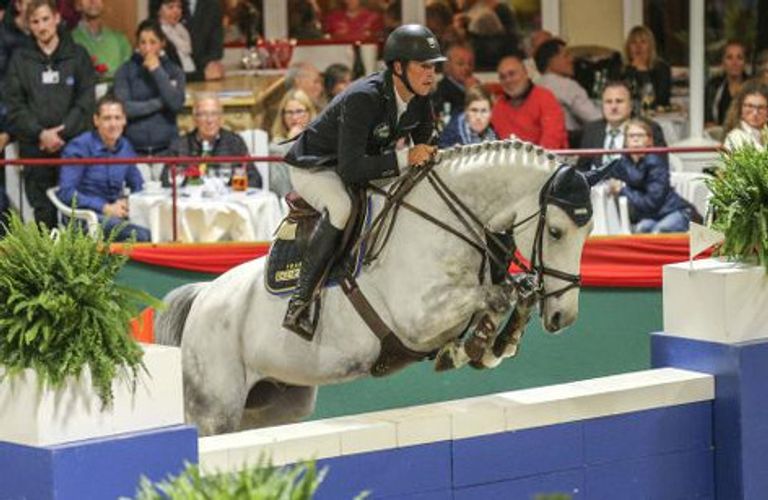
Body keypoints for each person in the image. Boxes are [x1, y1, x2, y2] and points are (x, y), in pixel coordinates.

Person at [281, 24, 444, 339]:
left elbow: (426, 151)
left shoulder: (421, 99)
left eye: (433, 67)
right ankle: (301, 300)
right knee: (341, 207)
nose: (431, 74)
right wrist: (406, 157)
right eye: (423, 66)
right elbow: (351, 169)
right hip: (316, 166)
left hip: (361, 163)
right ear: (399, 67)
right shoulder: (363, 97)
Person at [5, 0, 95, 228]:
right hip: (35, 149)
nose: (41, 26)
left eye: (45, 19)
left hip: (73, 146)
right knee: (43, 214)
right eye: (35, 22)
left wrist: (62, 133)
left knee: (76, 212)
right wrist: (41, 134)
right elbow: (14, 106)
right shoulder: (19, 59)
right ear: (29, 25)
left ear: (57, 18)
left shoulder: (78, 55)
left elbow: (86, 101)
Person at [58, 94, 150, 242]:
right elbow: (66, 193)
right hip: (85, 217)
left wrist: (127, 202)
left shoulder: (125, 146)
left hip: (116, 215)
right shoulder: (79, 147)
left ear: (124, 120)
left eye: (117, 118)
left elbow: (137, 184)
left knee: (160, 228)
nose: (113, 124)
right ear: (96, 120)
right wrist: (105, 208)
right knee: (143, 236)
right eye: (107, 118)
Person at [600, 119, 691, 234]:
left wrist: (622, 189)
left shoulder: (655, 161)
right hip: (653, 216)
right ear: (626, 141)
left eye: (640, 135)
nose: (635, 139)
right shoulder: (624, 161)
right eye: (631, 136)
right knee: (641, 230)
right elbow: (606, 173)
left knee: (659, 232)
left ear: (649, 140)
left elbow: (651, 203)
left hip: (674, 211)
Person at [113, 19, 185, 156]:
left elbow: (176, 104)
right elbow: (124, 109)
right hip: (133, 150)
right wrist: (160, 102)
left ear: (162, 43)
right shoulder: (125, 71)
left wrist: (157, 70)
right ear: (137, 44)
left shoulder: (174, 71)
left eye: (153, 42)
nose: (147, 48)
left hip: (167, 149)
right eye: (143, 42)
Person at [161, 93, 262, 188]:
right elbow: (165, 180)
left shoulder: (235, 142)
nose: (209, 120)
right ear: (194, 119)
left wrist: (233, 188)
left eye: (214, 114)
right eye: (203, 114)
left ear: (221, 118)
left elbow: (255, 179)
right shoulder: (179, 145)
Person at [577, 80, 666, 171]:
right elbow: (582, 170)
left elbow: (659, 169)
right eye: (608, 102)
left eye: (619, 101)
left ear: (631, 105)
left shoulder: (649, 128)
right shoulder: (592, 130)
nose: (613, 107)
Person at [490, 50, 568, 149]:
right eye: (503, 77)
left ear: (526, 73)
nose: (508, 80)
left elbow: (553, 139)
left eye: (512, 74)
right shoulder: (498, 107)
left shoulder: (544, 98)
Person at [535, 37, 601, 146]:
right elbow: (593, 117)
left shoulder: (536, 85)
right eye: (566, 55)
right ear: (551, 61)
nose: (572, 59)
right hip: (570, 146)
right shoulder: (565, 85)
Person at [268, 89, 317, 198]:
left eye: (299, 111)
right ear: (282, 116)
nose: (294, 117)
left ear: (309, 113)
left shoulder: (319, 140)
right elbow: (280, 187)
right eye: (289, 112)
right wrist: (290, 145)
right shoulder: (276, 147)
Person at [71, 0, 131, 79]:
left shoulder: (120, 40)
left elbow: (129, 77)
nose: (93, 1)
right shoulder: (70, 40)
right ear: (78, 3)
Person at [622, 25, 672, 110]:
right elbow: (622, 96)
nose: (638, 47)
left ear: (650, 46)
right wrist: (632, 70)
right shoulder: (622, 69)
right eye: (633, 42)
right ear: (628, 47)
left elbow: (662, 100)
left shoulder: (662, 68)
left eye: (643, 42)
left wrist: (643, 71)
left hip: (657, 114)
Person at [705, 41, 749, 127]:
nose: (734, 63)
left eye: (739, 58)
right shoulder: (713, 86)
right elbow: (707, 118)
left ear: (745, 62)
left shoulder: (753, 86)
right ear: (723, 62)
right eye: (729, 57)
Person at [432, 42, 479, 120]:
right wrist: (470, 94)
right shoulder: (442, 91)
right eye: (460, 64)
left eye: (470, 64)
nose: (467, 68)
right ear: (447, 66)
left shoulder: (475, 84)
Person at [152, 0, 196, 80]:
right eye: (170, 7)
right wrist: (202, 76)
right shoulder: (155, 35)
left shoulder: (183, 31)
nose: (176, 11)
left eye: (179, 7)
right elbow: (171, 75)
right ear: (158, 10)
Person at [723, 80, 768, 151]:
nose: (755, 112)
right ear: (740, 108)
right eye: (750, 106)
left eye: (761, 107)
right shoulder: (735, 137)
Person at [185, 0, 225, 81]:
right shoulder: (171, 4)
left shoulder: (213, 5)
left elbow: (216, 41)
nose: (175, 10)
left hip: (206, 70)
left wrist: (212, 63)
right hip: (180, 73)